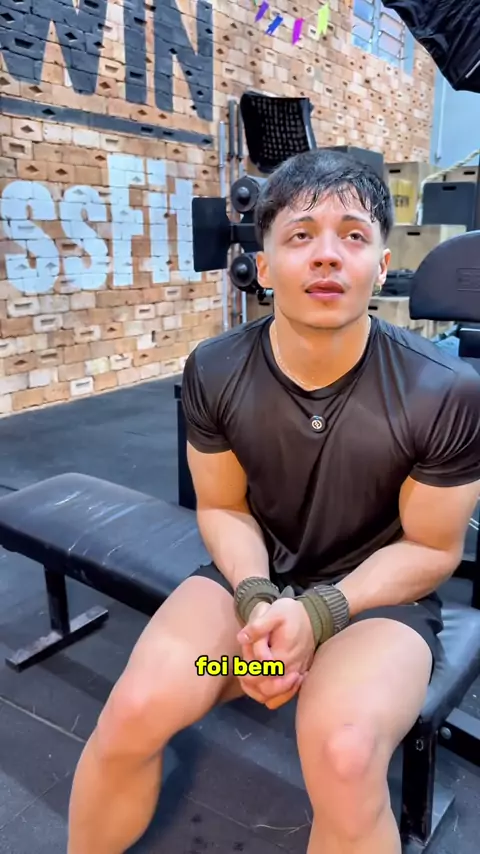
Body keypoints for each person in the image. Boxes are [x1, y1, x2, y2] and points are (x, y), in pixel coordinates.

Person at [67, 149, 480, 854]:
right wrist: (259, 599)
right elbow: (222, 508)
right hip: (251, 600)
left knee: (345, 756)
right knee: (137, 706)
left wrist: (318, 614)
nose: (327, 255)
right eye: (300, 235)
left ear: (382, 266)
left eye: (353, 235)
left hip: (374, 608)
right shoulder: (216, 368)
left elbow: (431, 548)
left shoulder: (445, 390)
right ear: (262, 267)